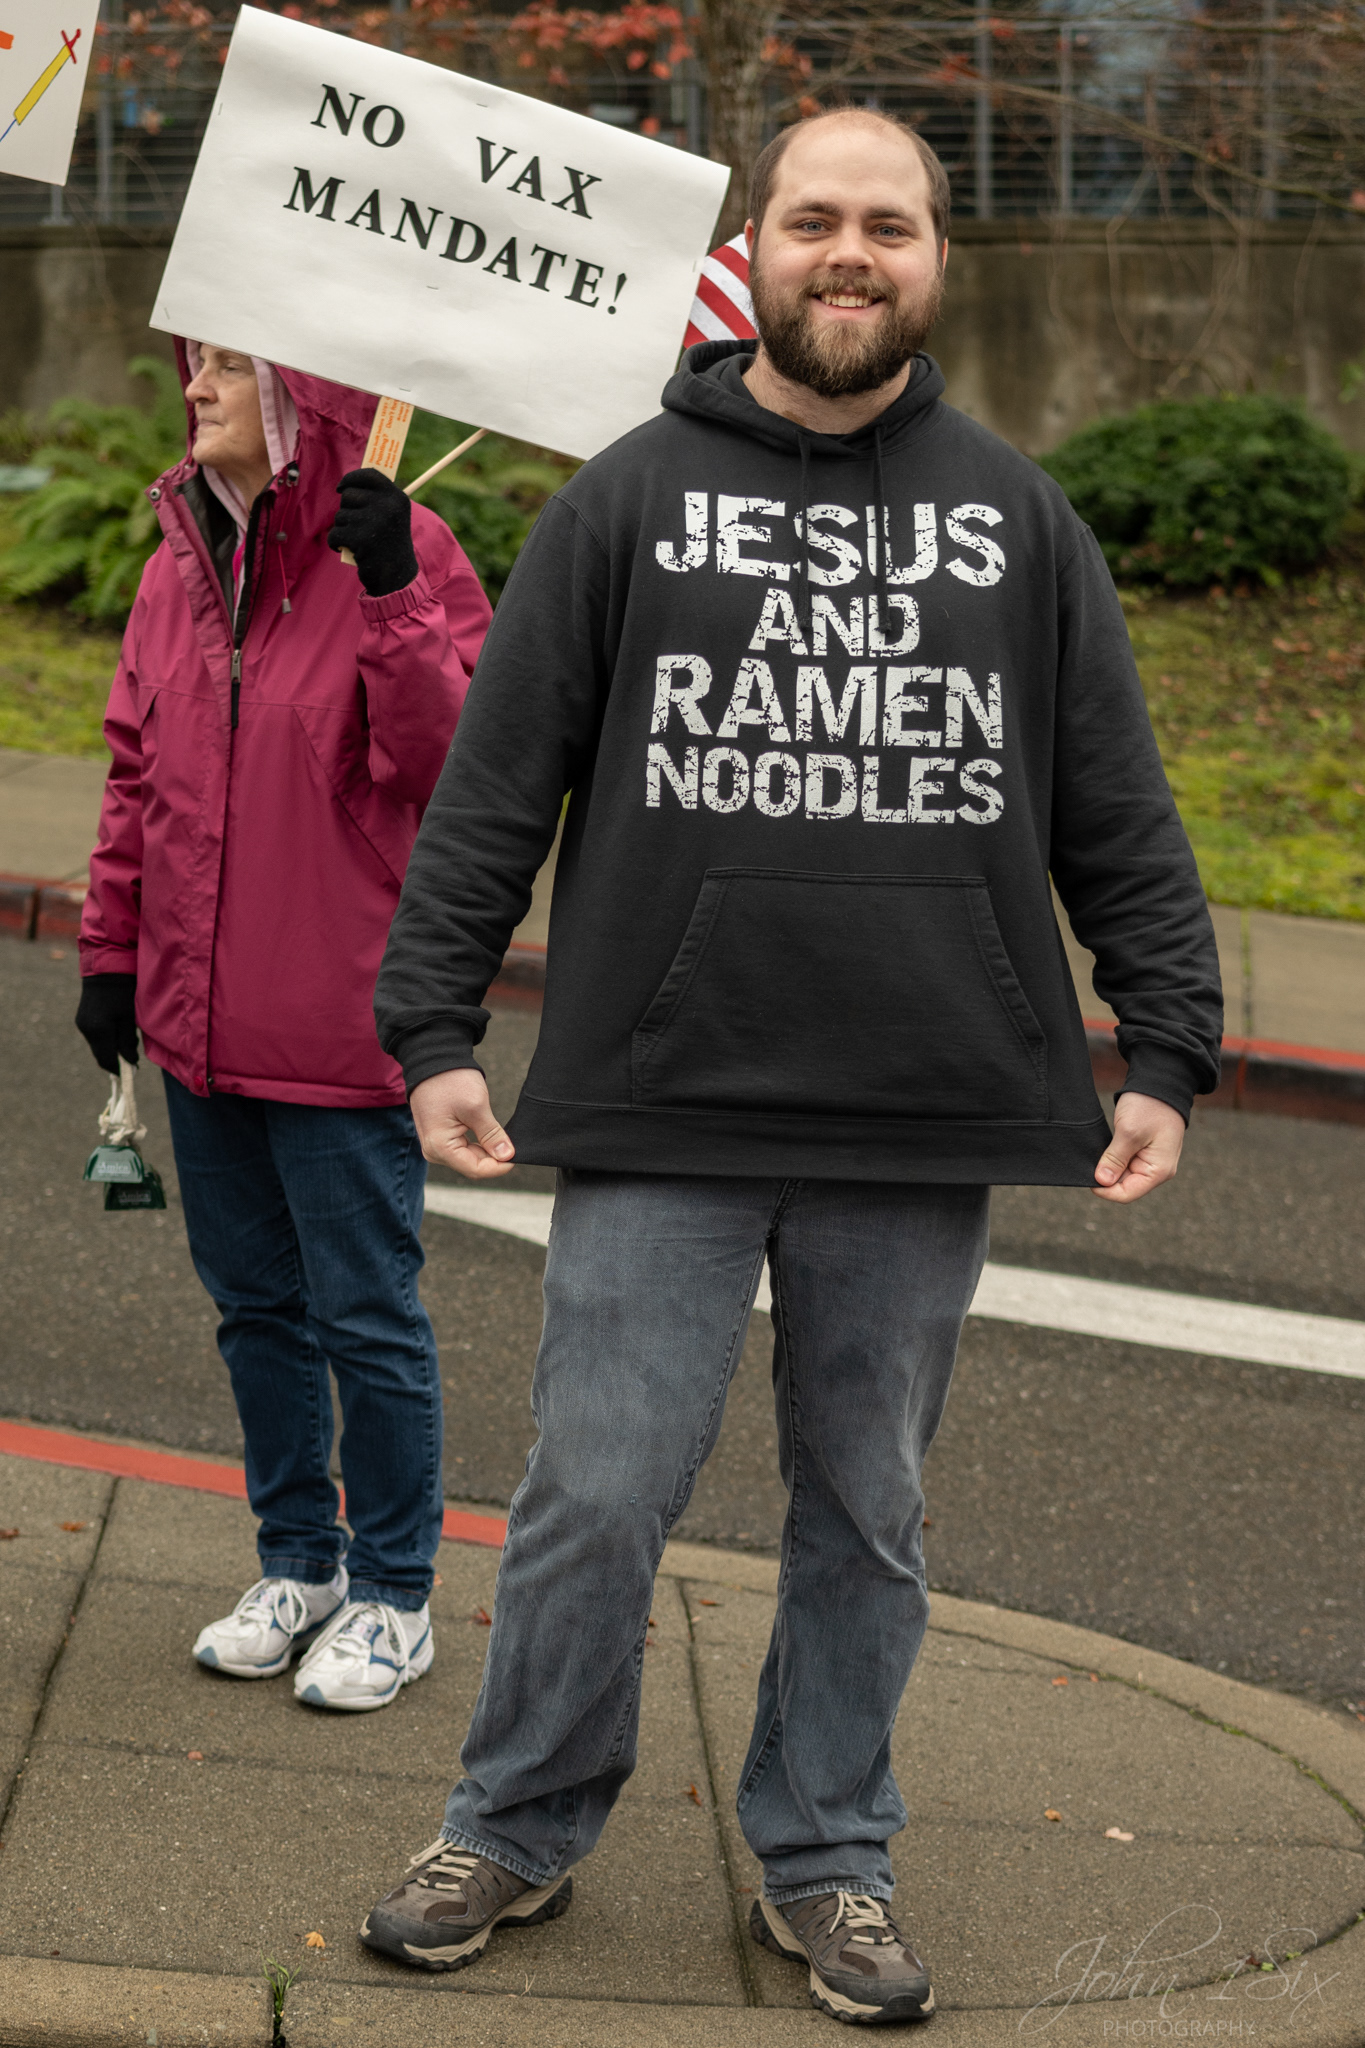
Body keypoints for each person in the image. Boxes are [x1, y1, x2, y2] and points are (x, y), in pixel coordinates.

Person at [362, 109, 1222, 2015]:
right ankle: (513, 1824)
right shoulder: (624, 498)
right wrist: (431, 1026)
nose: (852, 251)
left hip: (923, 1106)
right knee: (595, 1492)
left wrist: (1166, 1043)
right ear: (750, 244)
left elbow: (1115, 808)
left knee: (866, 1518)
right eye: (815, 217)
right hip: (662, 1097)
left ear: (936, 259)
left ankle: (828, 1855)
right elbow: (495, 789)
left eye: (888, 225)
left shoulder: (1018, 519)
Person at [76, 341, 491, 1711]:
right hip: (198, 1023)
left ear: (298, 396)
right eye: (191, 367)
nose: (192, 391)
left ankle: (394, 1593)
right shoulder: (178, 560)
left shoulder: (408, 548)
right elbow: (137, 775)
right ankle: (298, 1563)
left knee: (366, 1320)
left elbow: (451, 766)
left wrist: (393, 590)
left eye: (223, 370)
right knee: (255, 1311)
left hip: (340, 1021)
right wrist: (111, 953)